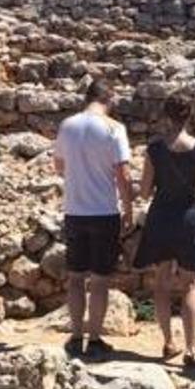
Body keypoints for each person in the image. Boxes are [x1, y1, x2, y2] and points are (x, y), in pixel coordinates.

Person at [53, 80, 134, 359]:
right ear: (108, 98)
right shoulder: (114, 128)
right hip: (104, 212)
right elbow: (123, 174)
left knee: (75, 277)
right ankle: (95, 339)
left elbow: (59, 165)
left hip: (74, 210)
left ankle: (76, 337)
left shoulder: (67, 125)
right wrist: (129, 210)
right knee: (99, 281)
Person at [133, 96, 195, 369]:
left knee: (162, 281)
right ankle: (191, 349)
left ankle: (168, 341)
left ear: (165, 116)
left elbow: (144, 191)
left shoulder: (154, 149)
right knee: (190, 284)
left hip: (161, 217)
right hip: (188, 217)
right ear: (189, 116)